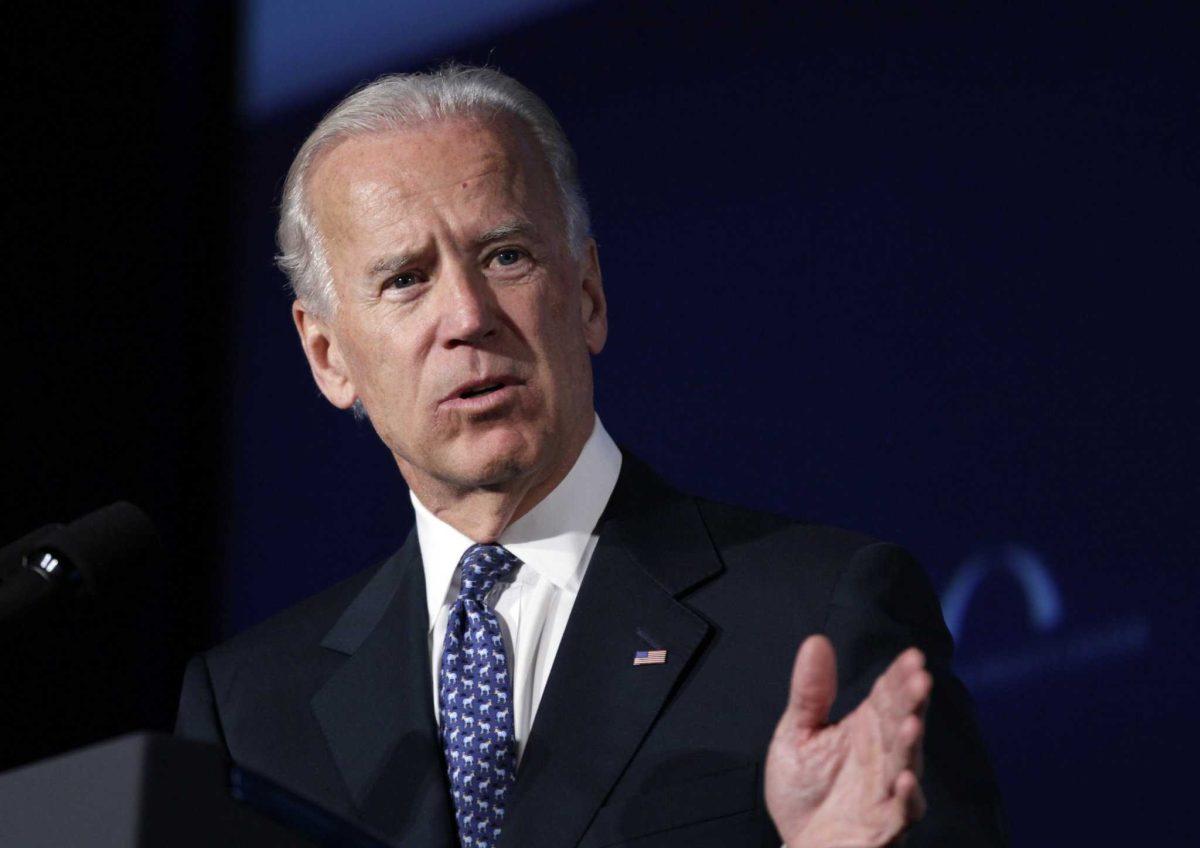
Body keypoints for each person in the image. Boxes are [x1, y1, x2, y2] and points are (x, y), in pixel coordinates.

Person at [176, 65, 1005, 847]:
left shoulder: (818, 615)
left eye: (506, 256)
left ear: (588, 295)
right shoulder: (249, 714)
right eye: (405, 280)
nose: (468, 314)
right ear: (329, 357)